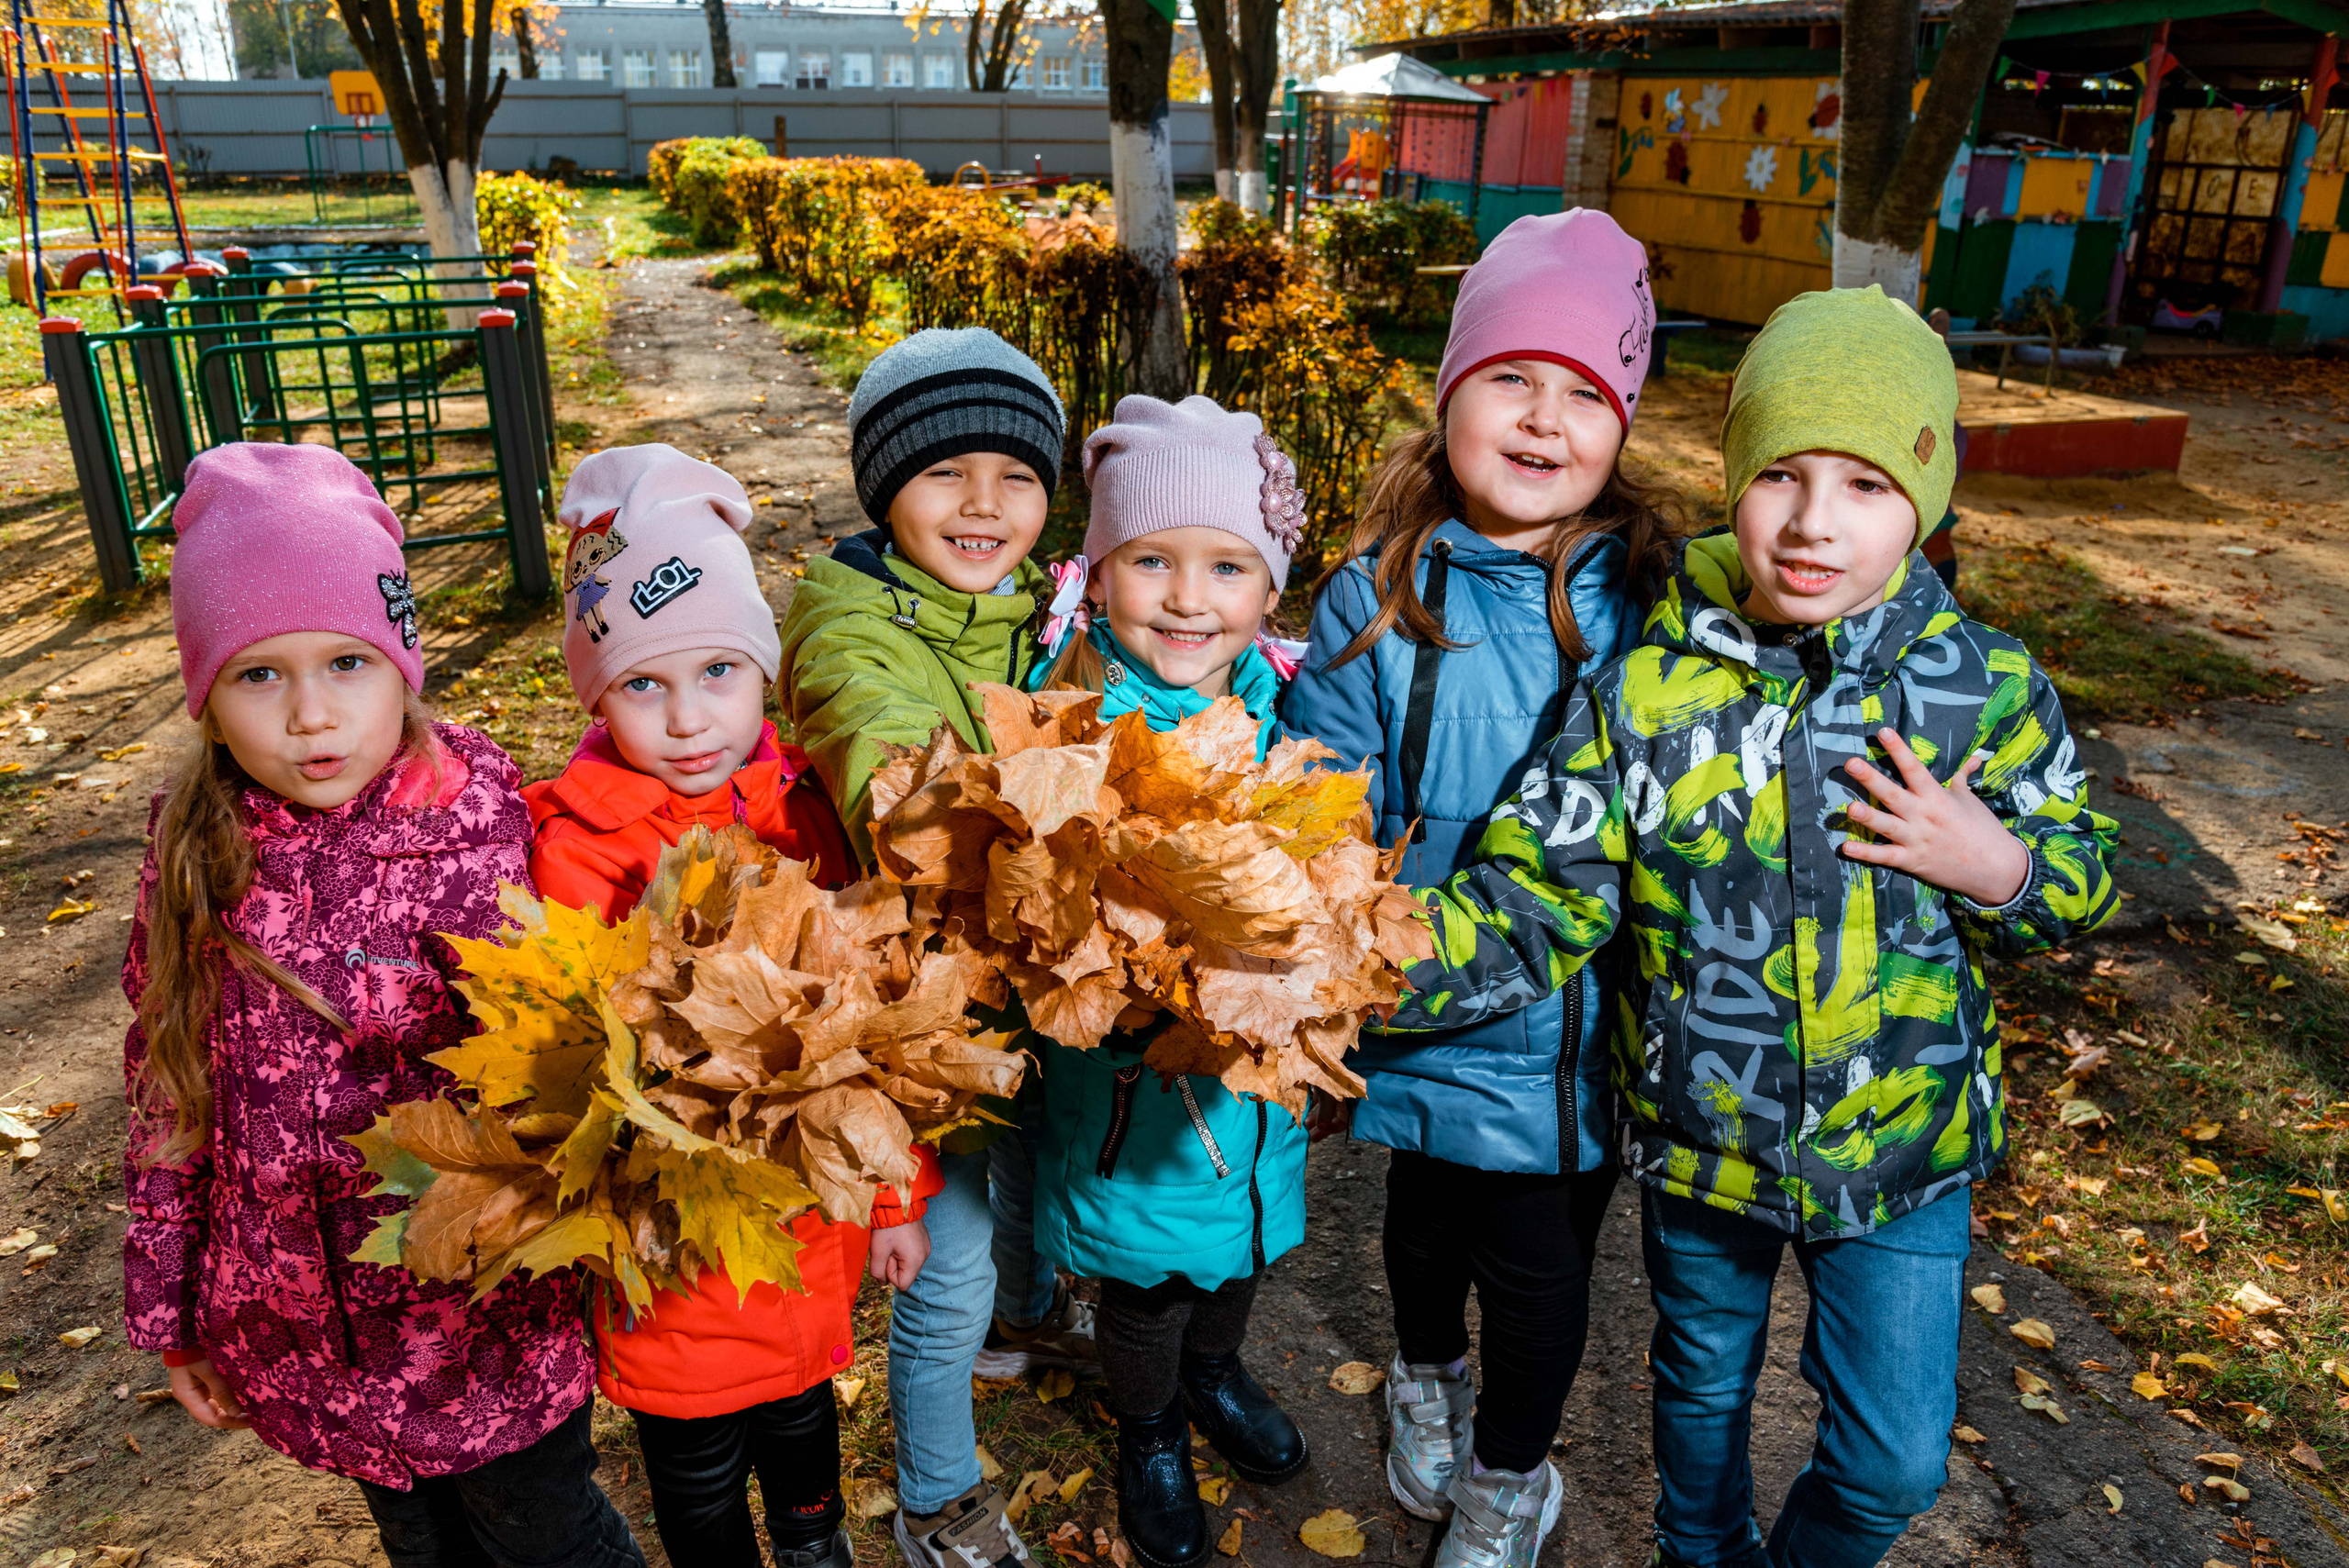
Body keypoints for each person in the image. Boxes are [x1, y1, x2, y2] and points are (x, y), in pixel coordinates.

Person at [1386, 285, 2120, 1568]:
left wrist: (2000, 868)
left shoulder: (1987, 688)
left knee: (1893, 1460)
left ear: (1927, 500)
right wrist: (1342, 967)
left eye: (1866, 485)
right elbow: (1530, 898)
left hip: (1903, 1160)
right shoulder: (1645, 690)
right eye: (1780, 473)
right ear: (1733, 476)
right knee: (1702, 1408)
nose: (1814, 522)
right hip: (1702, 1145)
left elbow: (2079, 880)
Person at [120, 442, 644, 1568]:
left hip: (480, 1315)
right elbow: (167, 1085)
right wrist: (174, 1311)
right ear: (207, 697)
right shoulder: (196, 850)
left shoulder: (489, 823)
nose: (312, 715)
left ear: (401, 660)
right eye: (261, 674)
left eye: (347, 662)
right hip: (309, 1324)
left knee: (549, 1535)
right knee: (422, 1542)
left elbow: (578, 1054)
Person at [1276, 207, 1686, 1568]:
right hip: (1419, 990)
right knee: (1425, 1225)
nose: (1541, 417)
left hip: (1571, 1027)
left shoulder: (1655, 601)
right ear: (1449, 392)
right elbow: (1321, 791)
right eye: (1510, 376)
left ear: (1623, 426)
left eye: (1584, 393)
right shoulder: (1375, 597)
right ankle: (1420, 1373)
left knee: (1541, 1266)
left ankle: (1512, 1472)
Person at [524, 444, 937, 1568]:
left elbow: (877, 1026)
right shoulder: (578, 846)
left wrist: (895, 1196)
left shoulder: (809, 809)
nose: (689, 716)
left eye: (720, 670)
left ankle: (815, 1542)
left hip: (803, 1216)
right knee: (694, 1447)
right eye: (643, 684)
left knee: (801, 1406)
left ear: (766, 673)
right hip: (673, 1232)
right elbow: (575, 1051)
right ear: (598, 692)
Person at [776, 328, 1093, 1568]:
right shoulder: (849, 629)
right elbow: (900, 779)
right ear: (882, 486)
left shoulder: (1040, 608)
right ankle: (937, 1496)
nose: (982, 503)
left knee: (1026, 1177)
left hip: (1014, 983)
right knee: (945, 1258)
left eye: (1015, 473)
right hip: (914, 1010)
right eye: (944, 471)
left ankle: (1026, 1319)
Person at [1026, 395, 1311, 1568]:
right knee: (1148, 1272)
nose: (1190, 598)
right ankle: (1146, 1423)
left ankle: (1215, 1370)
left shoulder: (1279, 699)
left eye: (1226, 566)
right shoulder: (1076, 712)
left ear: (1267, 589)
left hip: (1249, 1074)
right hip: (1136, 1085)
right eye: (1152, 560)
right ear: (1098, 578)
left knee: (1238, 1248)